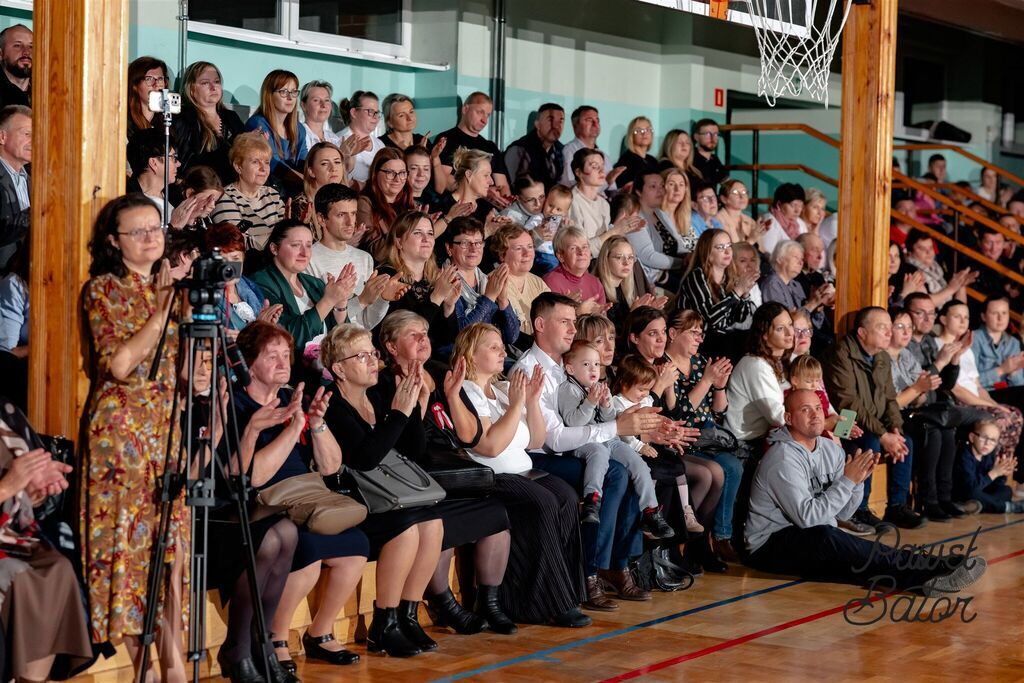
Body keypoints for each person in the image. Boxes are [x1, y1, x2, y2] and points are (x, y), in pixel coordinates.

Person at [320, 323, 512, 652]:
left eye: (372, 354)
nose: (372, 361)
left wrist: (416, 407)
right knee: (408, 529)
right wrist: (398, 413)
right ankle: (385, 620)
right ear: (338, 368)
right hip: (355, 502)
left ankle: (407, 616)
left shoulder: (377, 399)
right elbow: (365, 459)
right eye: (362, 355)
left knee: (433, 522)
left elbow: (414, 453)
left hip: (388, 498)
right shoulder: (335, 406)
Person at [82, 194, 187, 681]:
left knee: (173, 554)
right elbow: (121, 365)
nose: (151, 237)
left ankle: (173, 664)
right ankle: (147, 668)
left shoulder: (173, 291)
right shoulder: (103, 289)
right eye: (138, 231)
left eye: (155, 228)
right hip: (120, 436)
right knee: (127, 555)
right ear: (113, 241)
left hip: (167, 429)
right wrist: (161, 312)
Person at [745, 389, 989, 594]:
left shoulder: (830, 450)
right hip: (770, 546)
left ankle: (934, 571)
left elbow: (843, 513)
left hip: (813, 534)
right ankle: (926, 573)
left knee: (855, 560)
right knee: (830, 540)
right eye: (805, 410)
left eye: (818, 408)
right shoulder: (782, 459)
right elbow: (809, 519)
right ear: (788, 417)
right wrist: (847, 482)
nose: (815, 415)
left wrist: (857, 482)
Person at [227, 323, 369, 672]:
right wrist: (292, 430)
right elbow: (254, 476)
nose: (281, 363)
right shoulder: (236, 404)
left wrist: (316, 423)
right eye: (270, 356)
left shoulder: (296, 398)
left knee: (356, 546)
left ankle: (319, 633)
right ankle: (275, 638)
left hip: (305, 497)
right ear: (248, 363)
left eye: (285, 355)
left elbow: (331, 466)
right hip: (264, 505)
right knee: (305, 552)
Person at [513, 293, 667, 613]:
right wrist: (616, 429)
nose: (573, 328)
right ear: (540, 325)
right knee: (613, 473)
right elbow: (554, 439)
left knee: (630, 468)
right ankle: (590, 572)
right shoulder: (530, 369)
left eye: (573, 321)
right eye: (565, 321)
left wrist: (629, 429)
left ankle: (616, 563)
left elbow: (599, 420)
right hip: (541, 456)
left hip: (578, 448)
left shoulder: (568, 366)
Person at [453, 322, 593, 626]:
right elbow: (490, 447)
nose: (503, 351)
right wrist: (517, 405)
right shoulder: (468, 390)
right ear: (472, 355)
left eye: (502, 345)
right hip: (492, 477)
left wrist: (529, 401)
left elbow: (534, 441)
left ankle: (569, 592)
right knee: (541, 502)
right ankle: (547, 601)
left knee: (567, 496)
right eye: (493, 347)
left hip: (523, 471)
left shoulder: (504, 389)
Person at [0, 396, 93, 682]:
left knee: (58, 569)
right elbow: (8, 484)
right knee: (18, 574)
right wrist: (7, 488)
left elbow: (23, 484)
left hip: (11, 533)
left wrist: (31, 492)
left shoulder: (6, 412)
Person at [822, 306, 923, 531]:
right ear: (862, 332)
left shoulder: (882, 356)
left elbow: (889, 399)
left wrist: (895, 428)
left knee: (906, 441)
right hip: (841, 420)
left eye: (889, 327)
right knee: (870, 442)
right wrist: (882, 434)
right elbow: (848, 403)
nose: (889, 333)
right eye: (882, 328)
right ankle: (860, 510)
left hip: (873, 422)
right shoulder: (840, 353)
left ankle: (897, 506)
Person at [558, 340, 673, 536]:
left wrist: (605, 405)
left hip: (607, 437)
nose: (593, 369)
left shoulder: (599, 387)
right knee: (599, 452)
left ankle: (651, 511)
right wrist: (590, 402)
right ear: (570, 368)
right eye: (586, 364)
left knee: (637, 462)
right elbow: (573, 423)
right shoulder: (568, 389)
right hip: (583, 441)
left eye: (596, 364)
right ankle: (592, 500)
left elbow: (611, 422)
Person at [662, 308, 743, 560]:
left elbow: (718, 411)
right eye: (693, 332)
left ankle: (709, 540)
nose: (699, 338)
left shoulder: (699, 363)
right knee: (716, 472)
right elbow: (680, 415)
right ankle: (691, 542)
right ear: (673, 333)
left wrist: (719, 386)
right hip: (682, 438)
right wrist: (707, 382)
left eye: (701, 333)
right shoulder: (664, 366)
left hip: (706, 436)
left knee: (734, 465)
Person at [886, 307, 969, 523]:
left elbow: (924, 394)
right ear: (888, 329)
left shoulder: (906, 355)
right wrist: (917, 390)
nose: (906, 332)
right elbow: (891, 404)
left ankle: (943, 496)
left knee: (947, 429)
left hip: (911, 411)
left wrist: (918, 391)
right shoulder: (880, 357)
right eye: (900, 327)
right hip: (891, 416)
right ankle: (927, 500)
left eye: (909, 328)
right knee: (930, 430)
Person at [935, 300, 1024, 472]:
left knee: (1016, 415)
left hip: (978, 397)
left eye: (966, 317)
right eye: (957, 317)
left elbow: (977, 386)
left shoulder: (966, 348)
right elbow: (955, 387)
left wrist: (996, 405)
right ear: (944, 319)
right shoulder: (939, 345)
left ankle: (1003, 474)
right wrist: (991, 405)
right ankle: (985, 472)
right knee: (1002, 418)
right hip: (959, 401)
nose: (962, 321)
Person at [250, 220, 353, 352]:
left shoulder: (314, 283)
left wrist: (340, 304)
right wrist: (328, 301)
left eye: (309, 246)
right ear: (274, 248)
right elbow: (289, 338)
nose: (305, 253)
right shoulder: (260, 283)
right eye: (296, 245)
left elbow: (343, 339)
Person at [306, 183, 397, 330]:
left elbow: (367, 322)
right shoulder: (308, 259)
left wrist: (382, 299)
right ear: (322, 219)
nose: (350, 222)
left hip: (362, 344)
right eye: (341, 215)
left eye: (353, 213)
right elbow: (318, 323)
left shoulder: (364, 258)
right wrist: (361, 300)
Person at [376, 210, 462, 352]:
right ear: (399, 242)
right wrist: (436, 298)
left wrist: (448, 306)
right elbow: (403, 336)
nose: (426, 239)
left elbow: (447, 339)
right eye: (417, 233)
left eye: (430, 233)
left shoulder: (433, 278)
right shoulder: (388, 277)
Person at [677, 229, 757, 360]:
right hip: (697, 340)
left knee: (754, 337)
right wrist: (738, 291)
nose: (727, 251)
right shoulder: (696, 276)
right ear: (708, 253)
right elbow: (710, 319)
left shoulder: (729, 277)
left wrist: (745, 294)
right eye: (720, 247)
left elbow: (740, 318)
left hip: (721, 340)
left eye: (729, 246)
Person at [444, 216, 520, 347]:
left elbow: (511, 336)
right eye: (465, 243)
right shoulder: (445, 282)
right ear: (449, 248)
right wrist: (489, 297)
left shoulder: (488, 280)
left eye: (478, 243)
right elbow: (463, 336)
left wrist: (503, 300)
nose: (473, 249)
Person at [724, 302, 791, 447]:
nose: (790, 333)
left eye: (790, 325)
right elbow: (778, 417)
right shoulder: (756, 366)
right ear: (765, 335)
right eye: (780, 329)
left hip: (762, 438)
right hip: (743, 444)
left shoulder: (777, 361)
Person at [209, 132, 287, 255]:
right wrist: (279, 238)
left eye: (266, 162)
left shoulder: (272, 194)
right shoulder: (224, 197)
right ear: (238, 167)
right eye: (255, 162)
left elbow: (288, 235)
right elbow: (236, 244)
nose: (263, 168)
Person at [126, 128, 215, 230]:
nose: (178, 164)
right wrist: (174, 226)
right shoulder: (130, 202)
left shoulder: (175, 196)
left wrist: (190, 220)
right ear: (154, 163)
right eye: (173, 158)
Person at [173, 61, 245, 182]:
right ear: (191, 89)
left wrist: (252, 142)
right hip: (202, 188)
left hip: (234, 189)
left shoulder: (231, 117)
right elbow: (183, 165)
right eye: (205, 83)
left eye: (217, 82)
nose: (213, 87)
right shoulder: (184, 119)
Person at [432, 92, 511, 201]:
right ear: (465, 109)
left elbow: (503, 185)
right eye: (480, 112)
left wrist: (506, 202)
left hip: (491, 210)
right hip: (459, 206)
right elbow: (443, 179)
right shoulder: (448, 139)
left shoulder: (490, 146)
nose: (485, 120)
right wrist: (483, 191)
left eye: (488, 115)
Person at [202, 222, 279, 335]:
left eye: (235, 258)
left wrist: (269, 327)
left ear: (243, 258)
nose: (229, 267)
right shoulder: (205, 298)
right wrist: (259, 328)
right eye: (221, 260)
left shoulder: (250, 287)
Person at [569, 148, 643, 257]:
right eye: (594, 166)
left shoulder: (604, 204)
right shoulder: (572, 201)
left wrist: (624, 228)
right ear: (579, 172)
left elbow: (606, 244)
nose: (601, 171)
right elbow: (580, 252)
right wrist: (614, 231)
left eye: (602, 166)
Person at [245, 69, 307, 190]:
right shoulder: (258, 124)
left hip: (292, 189)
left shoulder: (299, 128)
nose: (290, 97)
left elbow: (304, 161)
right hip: (266, 190)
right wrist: (307, 182)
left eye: (294, 92)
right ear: (269, 95)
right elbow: (273, 164)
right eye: (283, 92)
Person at [489, 223, 549, 348]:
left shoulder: (538, 282)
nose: (527, 253)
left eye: (530, 247)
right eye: (518, 248)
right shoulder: (494, 281)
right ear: (501, 255)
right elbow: (514, 333)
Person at [760, 240, 832, 336]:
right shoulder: (772, 284)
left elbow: (814, 324)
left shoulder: (796, 285)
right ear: (780, 259)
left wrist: (818, 304)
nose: (800, 262)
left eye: (802, 259)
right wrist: (812, 304)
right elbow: (783, 324)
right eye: (795, 257)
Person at [357, 147, 417, 257]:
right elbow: (377, 251)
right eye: (390, 173)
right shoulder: (365, 203)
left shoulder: (410, 202)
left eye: (402, 173)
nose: (397, 179)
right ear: (375, 173)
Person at [629, 172, 684, 288]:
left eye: (662, 186)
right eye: (653, 186)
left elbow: (679, 244)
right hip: (654, 279)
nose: (660, 191)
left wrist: (693, 256)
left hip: (673, 271)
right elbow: (648, 256)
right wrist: (683, 263)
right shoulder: (635, 216)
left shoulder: (661, 214)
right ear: (638, 191)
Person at [593, 235, 662, 329]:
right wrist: (633, 315)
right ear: (606, 259)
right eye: (619, 257)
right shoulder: (597, 290)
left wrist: (647, 314)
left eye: (630, 257)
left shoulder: (625, 288)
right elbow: (612, 334)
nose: (626, 262)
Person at [955, 419, 1022, 513]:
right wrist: (994, 473)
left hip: (978, 492)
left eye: (993, 440)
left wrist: (1002, 473)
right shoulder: (964, 455)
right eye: (984, 437)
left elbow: (993, 485)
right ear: (972, 437)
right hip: (963, 494)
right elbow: (971, 488)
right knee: (973, 493)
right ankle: (1006, 507)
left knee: (1006, 490)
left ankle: (973, 506)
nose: (987, 443)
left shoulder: (989, 455)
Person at [971, 295, 1024, 404]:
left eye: (1004, 313)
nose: (1000, 318)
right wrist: (1002, 370)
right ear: (984, 316)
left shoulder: (1013, 343)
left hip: (1009, 393)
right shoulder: (974, 339)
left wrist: (1013, 372)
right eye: (995, 313)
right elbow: (969, 382)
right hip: (982, 395)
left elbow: (1020, 385)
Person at [289, 141, 347, 241]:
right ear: (311, 171)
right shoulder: (302, 204)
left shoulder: (347, 201)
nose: (333, 168)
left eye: (337, 162)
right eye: (324, 163)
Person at [903, 229, 976, 307]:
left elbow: (960, 307)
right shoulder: (910, 271)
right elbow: (923, 305)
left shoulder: (939, 267)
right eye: (922, 249)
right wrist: (951, 289)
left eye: (931, 247)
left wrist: (961, 284)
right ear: (909, 252)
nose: (929, 252)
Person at [543, 226, 607, 312]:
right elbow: (550, 322)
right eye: (573, 248)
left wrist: (599, 316)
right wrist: (576, 312)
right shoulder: (550, 282)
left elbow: (604, 323)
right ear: (560, 256)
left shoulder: (595, 283)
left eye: (585, 247)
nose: (581, 252)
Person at [560, 105, 623, 191]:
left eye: (597, 120)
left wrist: (623, 192)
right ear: (575, 126)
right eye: (589, 120)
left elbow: (611, 190)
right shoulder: (569, 151)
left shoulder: (604, 156)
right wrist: (606, 181)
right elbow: (572, 188)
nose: (595, 124)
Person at [505, 103, 565, 190]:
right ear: (537, 124)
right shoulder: (519, 150)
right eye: (551, 120)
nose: (556, 126)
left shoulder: (561, 150)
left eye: (561, 121)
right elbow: (520, 190)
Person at [0, 104, 31, 270]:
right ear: (2, 137)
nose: (34, 141)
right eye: (27, 134)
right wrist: (38, 212)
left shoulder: (35, 183)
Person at [338, 90, 386, 185]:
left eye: (377, 112)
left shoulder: (379, 144)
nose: (375, 117)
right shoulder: (339, 140)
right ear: (354, 112)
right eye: (370, 111)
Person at [758, 183, 808, 255]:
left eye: (800, 206)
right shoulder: (769, 221)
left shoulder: (800, 223)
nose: (797, 210)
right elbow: (768, 252)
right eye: (793, 205)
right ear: (779, 205)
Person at [126, 56, 167, 141]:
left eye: (160, 79)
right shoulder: (124, 122)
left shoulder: (169, 120)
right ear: (135, 85)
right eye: (149, 79)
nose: (156, 84)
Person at [614, 116, 657, 191]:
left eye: (648, 129)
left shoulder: (652, 160)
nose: (644, 133)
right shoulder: (626, 160)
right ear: (631, 135)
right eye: (639, 130)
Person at [716, 179, 758, 245]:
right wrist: (751, 240)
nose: (742, 196)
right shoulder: (717, 221)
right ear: (723, 199)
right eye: (735, 192)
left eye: (744, 192)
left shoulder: (750, 221)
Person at [299, 80, 341, 146]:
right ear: (303, 105)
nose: (323, 105)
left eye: (327, 100)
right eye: (316, 100)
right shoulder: (298, 136)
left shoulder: (334, 139)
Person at [690, 119, 726, 193]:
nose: (712, 138)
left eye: (716, 134)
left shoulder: (714, 159)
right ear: (696, 137)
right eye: (707, 134)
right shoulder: (690, 159)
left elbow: (725, 181)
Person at [0, 25, 31, 109]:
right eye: (17, 45)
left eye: (31, 46)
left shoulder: (47, 89)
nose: (27, 52)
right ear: (1, 53)